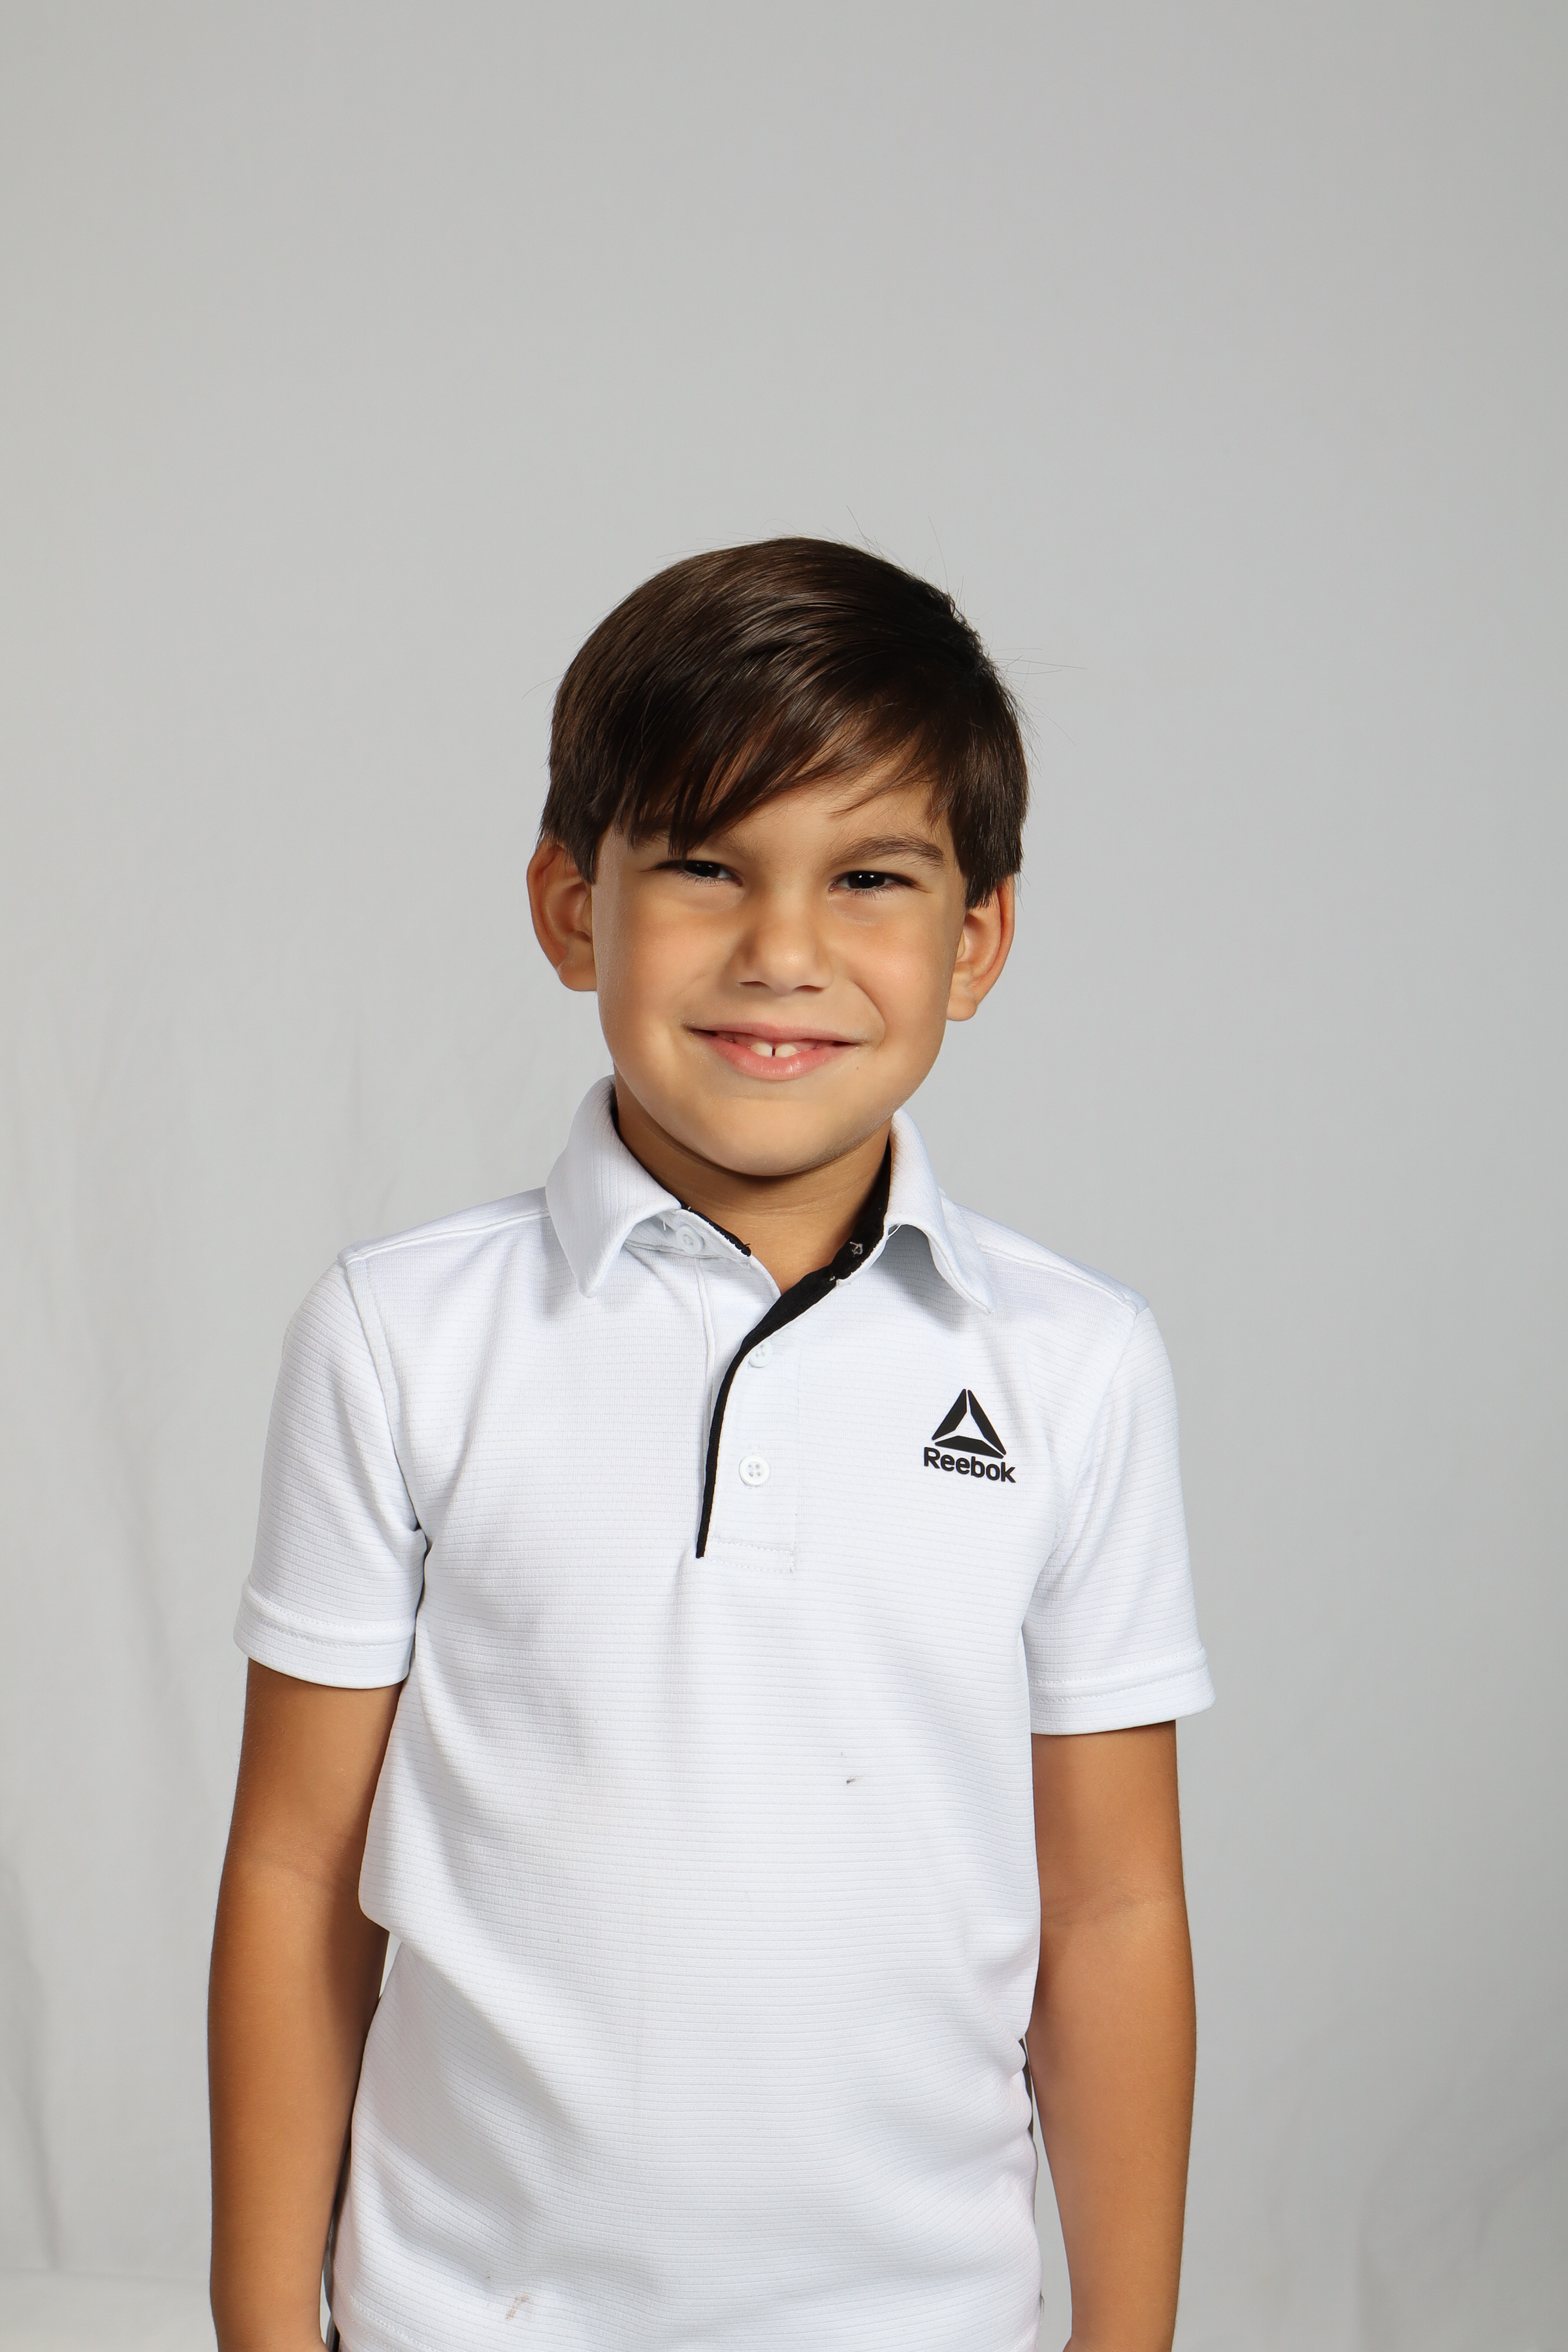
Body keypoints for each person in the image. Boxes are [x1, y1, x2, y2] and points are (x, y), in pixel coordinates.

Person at [208, 538, 1214, 2352]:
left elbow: (1116, 1903)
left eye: (870, 877)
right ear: (570, 907)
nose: (783, 953)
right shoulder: (400, 1335)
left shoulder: (1076, 1365)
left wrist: (1125, 2339)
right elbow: (295, 1871)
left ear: (976, 941)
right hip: (466, 2319)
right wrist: (266, 2327)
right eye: (704, 865)